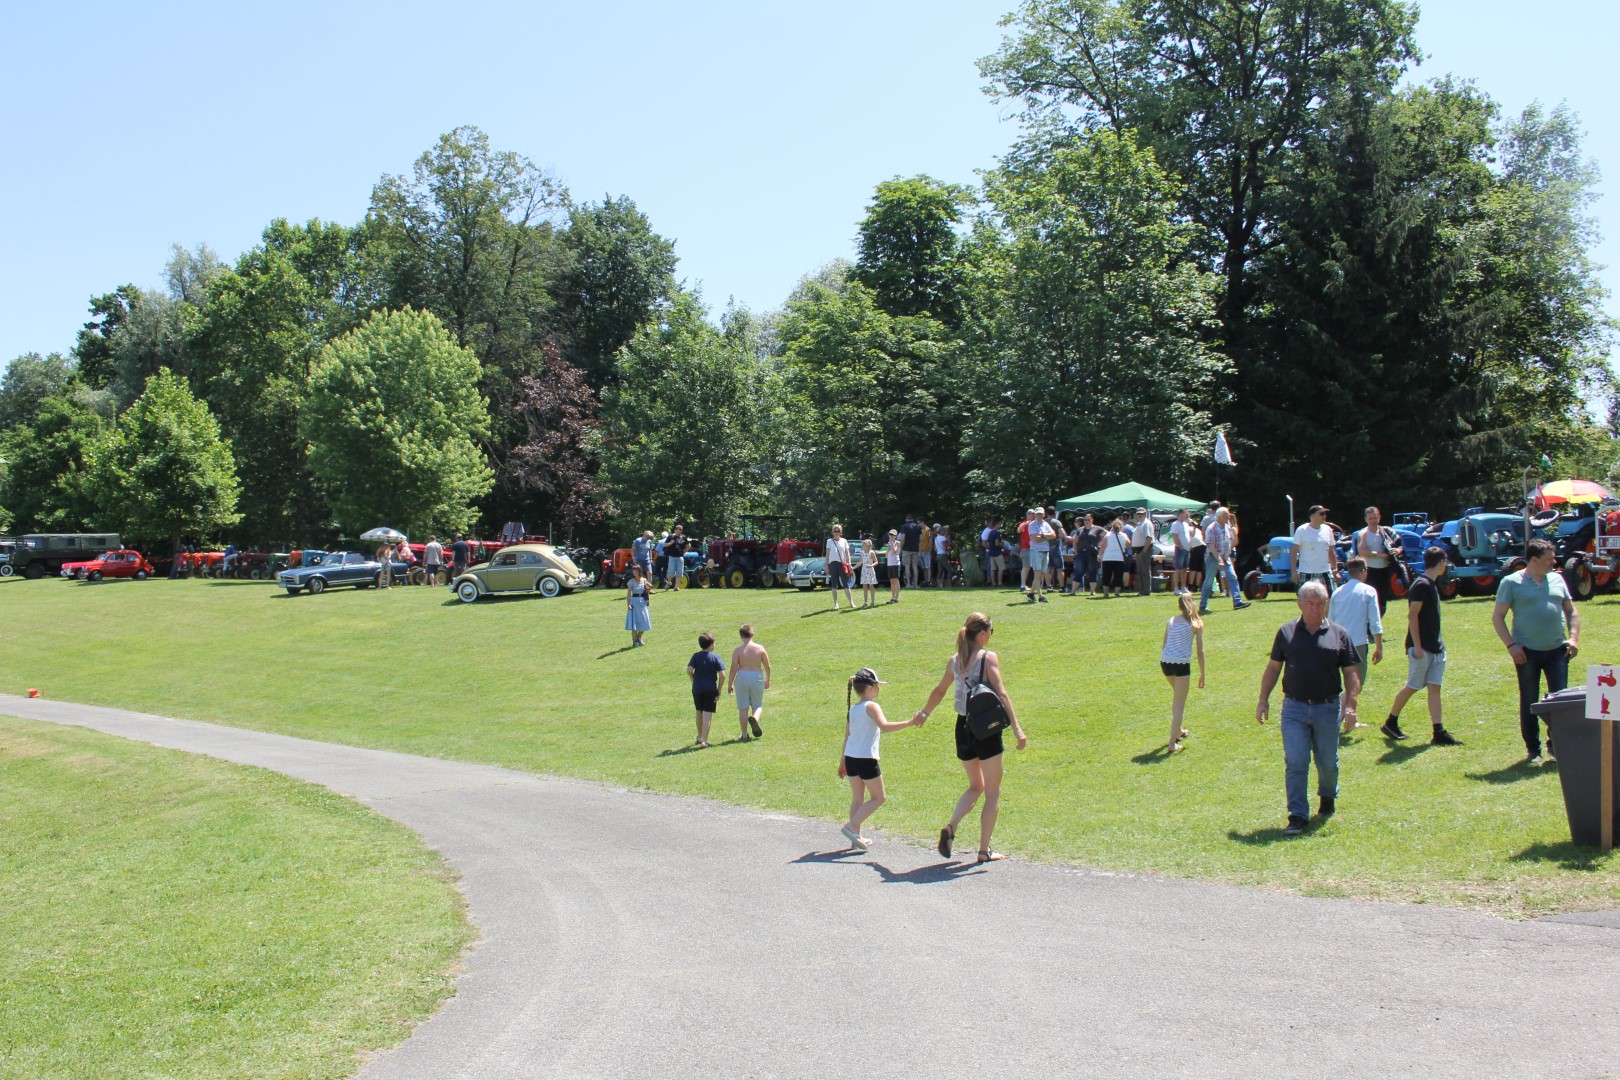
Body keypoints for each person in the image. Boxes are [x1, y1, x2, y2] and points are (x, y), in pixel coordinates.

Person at [911, 612, 1027, 864]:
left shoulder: (955, 660)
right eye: (991, 632)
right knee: (992, 792)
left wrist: (924, 713)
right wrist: (1017, 728)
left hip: (962, 727)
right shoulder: (988, 658)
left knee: (976, 786)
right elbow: (1002, 694)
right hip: (986, 728)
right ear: (982, 634)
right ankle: (984, 851)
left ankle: (952, 827)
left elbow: (940, 690)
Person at [1256, 581, 1362, 835]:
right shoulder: (1286, 632)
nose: (1316, 609)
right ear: (1300, 604)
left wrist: (1351, 705)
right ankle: (1298, 815)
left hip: (1327, 707)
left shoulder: (1339, 634)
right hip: (1294, 707)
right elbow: (1273, 668)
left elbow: (1351, 673)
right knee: (1296, 760)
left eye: (1321, 604)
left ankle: (1327, 797)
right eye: (1311, 604)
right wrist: (1263, 699)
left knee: (1327, 762)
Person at [1492, 539, 1580, 764]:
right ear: (1534, 560)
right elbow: (1498, 617)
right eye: (1549, 559)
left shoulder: (1557, 579)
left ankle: (1557, 745)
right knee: (1530, 700)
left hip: (1557, 651)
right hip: (1526, 652)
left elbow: (1572, 612)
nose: (1554, 562)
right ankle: (1533, 749)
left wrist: (1573, 638)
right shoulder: (1511, 582)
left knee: (1560, 702)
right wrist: (1511, 646)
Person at [1379, 547, 1463, 747]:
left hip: (1435, 647)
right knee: (1413, 685)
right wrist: (1417, 646)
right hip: (1421, 648)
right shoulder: (1421, 585)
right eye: (1445, 563)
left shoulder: (1430, 584)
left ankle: (1438, 731)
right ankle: (1391, 722)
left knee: (1435, 687)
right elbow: (1412, 616)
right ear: (1441, 562)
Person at [838, 667, 924, 851]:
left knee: (858, 799)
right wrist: (910, 722)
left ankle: (855, 839)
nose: (879, 689)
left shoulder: (853, 708)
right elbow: (884, 726)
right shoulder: (872, 706)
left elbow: (847, 737)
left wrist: (842, 762)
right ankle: (852, 827)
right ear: (869, 688)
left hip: (851, 758)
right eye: (877, 685)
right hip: (866, 760)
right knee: (879, 797)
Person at [1328, 557, 1383, 732]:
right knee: (1356, 685)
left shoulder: (1338, 592)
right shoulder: (1368, 591)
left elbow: (1330, 620)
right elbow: (1374, 621)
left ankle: (1349, 720)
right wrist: (1379, 646)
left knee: (1346, 682)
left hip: (1336, 643)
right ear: (1362, 571)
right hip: (1357, 643)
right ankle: (1336, 716)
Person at [1161, 592, 1205, 751]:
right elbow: (1200, 652)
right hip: (1181, 665)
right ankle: (1172, 744)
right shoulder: (1197, 623)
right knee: (1180, 704)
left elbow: (1165, 644)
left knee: (1177, 697)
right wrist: (1203, 674)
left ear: (1179, 606)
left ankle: (1178, 731)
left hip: (1165, 662)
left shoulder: (1171, 621)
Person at [1199, 507, 1250, 613]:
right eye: (1226, 514)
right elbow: (1211, 547)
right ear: (1219, 517)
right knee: (1208, 581)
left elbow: (1233, 542)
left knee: (1233, 577)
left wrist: (1232, 539)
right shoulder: (1211, 528)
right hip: (1213, 557)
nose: (1228, 516)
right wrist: (1219, 559)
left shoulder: (1227, 527)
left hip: (1225, 557)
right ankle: (1203, 605)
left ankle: (1237, 601)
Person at [1356, 506, 1404, 615]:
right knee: (1370, 599)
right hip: (1370, 571)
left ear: (1379, 517)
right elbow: (1362, 551)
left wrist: (1398, 550)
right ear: (1366, 519)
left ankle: (1377, 622)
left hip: (1385, 570)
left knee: (1382, 600)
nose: (1373, 521)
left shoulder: (1386, 531)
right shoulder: (1363, 533)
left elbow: (1400, 545)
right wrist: (1380, 555)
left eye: (1375, 518)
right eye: (1370, 518)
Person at [727, 624, 772, 741]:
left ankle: (744, 734)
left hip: (742, 677)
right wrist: (768, 679)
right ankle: (754, 718)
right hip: (756, 676)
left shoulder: (738, 651)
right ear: (753, 634)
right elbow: (768, 666)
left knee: (743, 707)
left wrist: (729, 684)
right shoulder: (760, 648)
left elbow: (733, 669)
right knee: (757, 705)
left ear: (741, 636)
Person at [687, 632, 726, 749]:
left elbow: (689, 670)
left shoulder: (695, 656)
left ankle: (699, 737)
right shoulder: (715, 657)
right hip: (710, 689)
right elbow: (722, 675)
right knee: (707, 715)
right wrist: (719, 689)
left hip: (697, 688)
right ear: (711, 645)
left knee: (699, 712)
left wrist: (694, 678)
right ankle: (704, 740)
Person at [1291, 504, 1338, 594]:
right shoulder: (1302, 530)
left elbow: (1331, 552)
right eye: (1321, 514)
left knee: (1332, 597)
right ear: (1312, 516)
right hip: (1306, 571)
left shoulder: (1327, 529)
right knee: (1306, 599)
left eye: (1325, 513)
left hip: (1325, 571)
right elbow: (1293, 552)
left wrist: (1335, 570)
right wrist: (1294, 571)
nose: (1324, 516)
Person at [1025, 508, 1053, 603]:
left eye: (1041, 514)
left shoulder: (1046, 524)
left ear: (1044, 514)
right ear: (1035, 515)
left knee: (1041, 574)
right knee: (1037, 573)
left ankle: (1031, 593)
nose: (1039, 516)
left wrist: (1042, 535)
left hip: (1045, 550)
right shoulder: (1032, 525)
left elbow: (1053, 535)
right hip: (1036, 551)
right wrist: (1046, 536)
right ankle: (1040, 596)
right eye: (1037, 514)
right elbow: (1035, 539)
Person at [825, 524, 855, 611]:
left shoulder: (844, 541)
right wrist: (826, 565)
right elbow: (827, 555)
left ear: (841, 532)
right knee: (834, 585)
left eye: (838, 531)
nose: (836, 533)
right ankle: (836, 604)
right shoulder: (829, 541)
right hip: (832, 564)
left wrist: (849, 564)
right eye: (835, 531)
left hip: (842, 564)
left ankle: (851, 602)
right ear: (832, 532)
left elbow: (847, 554)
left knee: (845, 584)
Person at [1098, 517, 1129, 598]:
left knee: (1106, 576)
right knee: (1118, 576)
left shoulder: (1108, 535)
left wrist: (1099, 555)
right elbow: (1129, 544)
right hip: (1119, 558)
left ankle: (1106, 593)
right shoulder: (1124, 535)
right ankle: (1116, 593)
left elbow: (1102, 546)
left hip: (1107, 558)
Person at [624, 565, 652, 647]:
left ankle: (639, 637)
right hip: (634, 602)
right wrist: (628, 604)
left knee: (645, 621)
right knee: (634, 623)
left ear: (639, 571)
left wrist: (647, 600)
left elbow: (646, 591)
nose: (634, 572)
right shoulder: (631, 582)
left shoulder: (644, 580)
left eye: (636, 571)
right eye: (633, 571)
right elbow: (629, 594)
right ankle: (635, 641)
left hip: (642, 602)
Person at [1132, 508, 1155, 596]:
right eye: (1138, 514)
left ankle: (1146, 591)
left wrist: (1144, 551)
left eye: (1141, 513)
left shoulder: (1146, 523)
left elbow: (1149, 538)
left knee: (1145, 571)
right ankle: (1142, 590)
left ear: (1145, 514)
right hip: (1138, 550)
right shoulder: (1139, 523)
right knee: (1140, 571)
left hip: (1144, 549)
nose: (1139, 515)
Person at [1170, 508, 1193, 594]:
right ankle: (1176, 588)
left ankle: (1183, 587)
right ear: (1180, 514)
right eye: (1185, 514)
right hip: (1180, 549)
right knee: (1178, 569)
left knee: (1184, 569)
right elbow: (1175, 536)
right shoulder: (1175, 524)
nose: (1187, 516)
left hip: (1187, 549)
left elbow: (1191, 534)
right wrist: (1180, 546)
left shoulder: (1186, 524)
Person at [898, 514, 923, 587]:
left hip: (906, 549)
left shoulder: (904, 526)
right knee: (915, 566)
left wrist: (901, 548)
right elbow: (921, 539)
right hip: (915, 549)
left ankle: (908, 584)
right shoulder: (918, 527)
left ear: (906, 519)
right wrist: (918, 546)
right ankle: (915, 584)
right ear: (912, 519)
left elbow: (903, 539)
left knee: (907, 566)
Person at [662, 526, 688, 592]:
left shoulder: (683, 537)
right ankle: (669, 582)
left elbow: (688, 545)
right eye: (678, 530)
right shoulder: (670, 537)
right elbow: (664, 545)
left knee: (679, 572)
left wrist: (685, 551)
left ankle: (676, 587)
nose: (679, 531)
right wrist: (671, 543)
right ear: (675, 530)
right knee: (670, 571)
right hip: (672, 557)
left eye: (681, 530)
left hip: (680, 557)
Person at [858, 536, 879, 608]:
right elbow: (860, 562)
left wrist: (871, 565)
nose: (862, 546)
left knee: (871, 586)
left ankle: (872, 602)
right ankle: (865, 602)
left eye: (863, 545)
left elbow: (876, 562)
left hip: (870, 571)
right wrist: (853, 568)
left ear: (868, 546)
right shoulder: (862, 553)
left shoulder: (871, 552)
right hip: (864, 571)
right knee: (864, 587)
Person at [885, 529, 902, 603]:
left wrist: (891, 543)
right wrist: (887, 549)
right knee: (891, 581)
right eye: (890, 535)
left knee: (895, 580)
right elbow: (886, 554)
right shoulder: (889, 543)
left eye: (892, 535)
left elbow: (895, 551)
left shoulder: (897, 543)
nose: (891, 536)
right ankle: (892, 597)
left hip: (895, 563)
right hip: (890, 563)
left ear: (895, 536)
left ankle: (896, 598)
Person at [919, 520, 934, 586]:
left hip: (926, 551)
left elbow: (930, 541)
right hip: (921, 551)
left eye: (919, 523)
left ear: (922, 522)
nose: (918, 525)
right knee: (924, 567)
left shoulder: (928, 530)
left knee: (927, 567)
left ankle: (928, 581)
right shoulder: (921, 530)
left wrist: (926, 550)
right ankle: (925, 581)